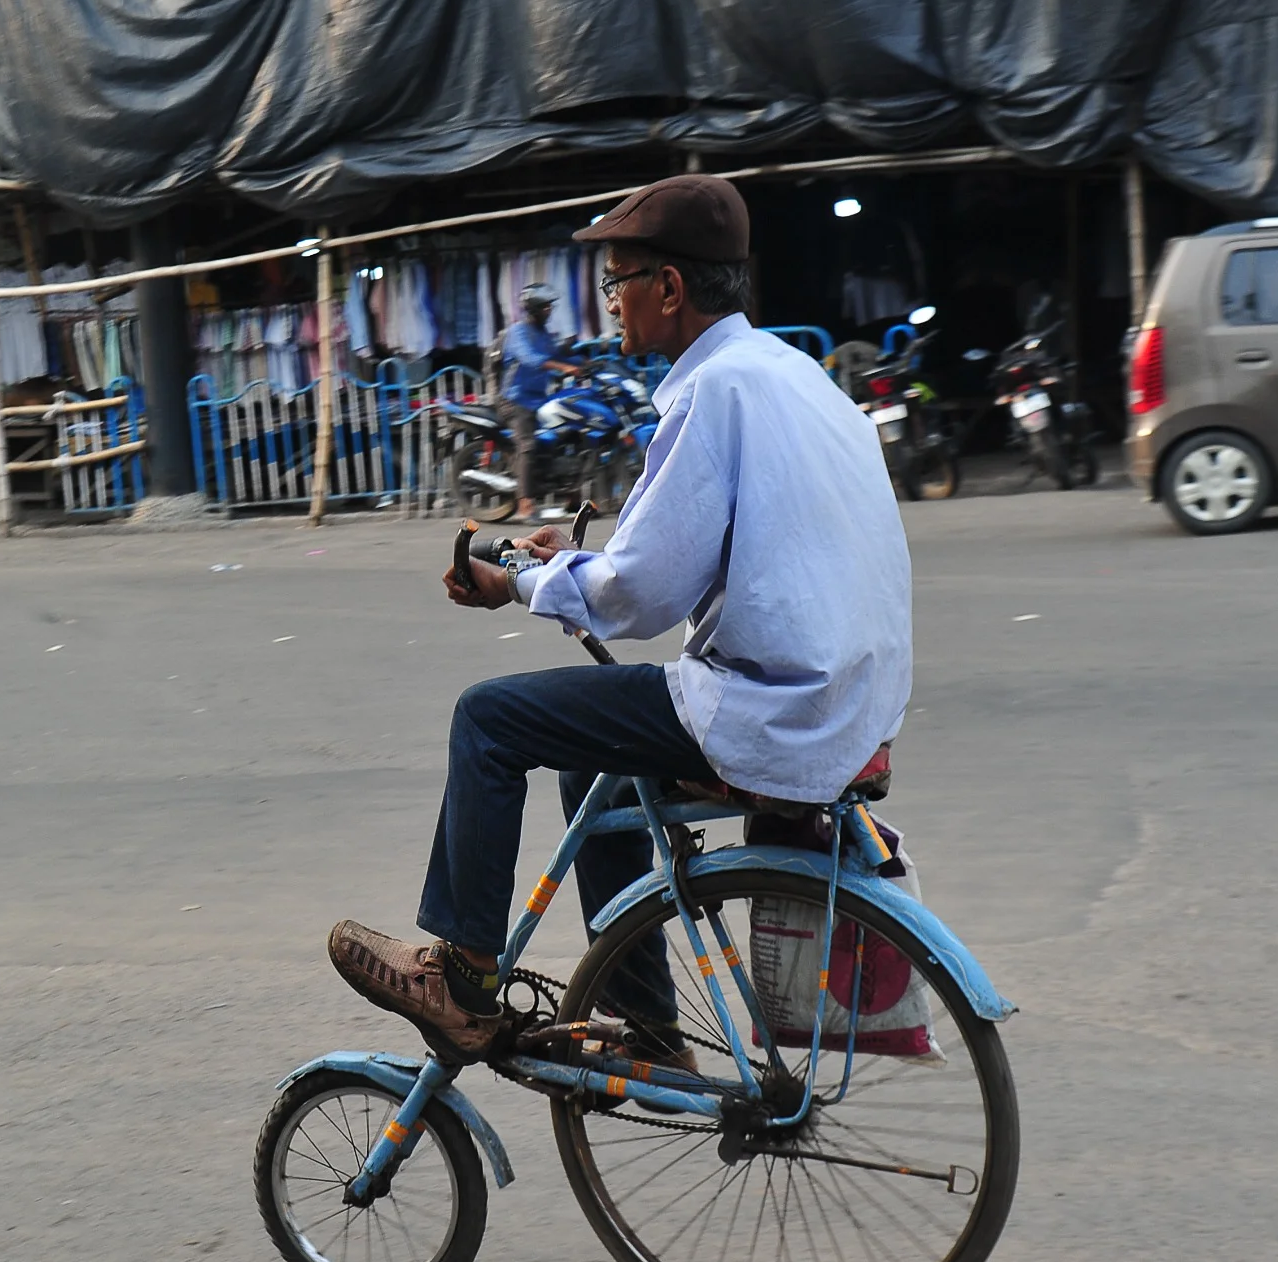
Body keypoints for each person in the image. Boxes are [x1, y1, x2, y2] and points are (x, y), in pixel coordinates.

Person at [329, 175, 913, 1065]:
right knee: (588, 768)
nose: (611, 305)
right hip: (851, 701)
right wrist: (562, 554)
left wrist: (518, 583)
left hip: (773, 709)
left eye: (618, 282)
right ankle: (648, 1026)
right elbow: (709, 537)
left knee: (488, 719)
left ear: (670, 289)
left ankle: (463, 978)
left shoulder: (711, 393)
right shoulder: (791, 376)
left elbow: (638, 595)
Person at [498, 283, 578, 520]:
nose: (549, 311)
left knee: (566, 436)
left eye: (550, 306)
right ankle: (525, 504)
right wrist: (564, 367)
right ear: (533, 309)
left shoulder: (544, 334)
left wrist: (585, 363)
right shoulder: (517, 333)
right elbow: (531, 359)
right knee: (528, 446)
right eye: (545, 307)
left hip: (540, 400)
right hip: (515, 401)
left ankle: (571, 497)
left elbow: (556, 354)